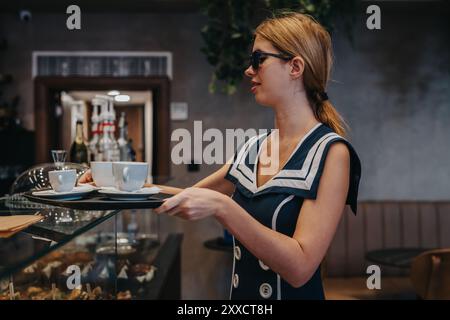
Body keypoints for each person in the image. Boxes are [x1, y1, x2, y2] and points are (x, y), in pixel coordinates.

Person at [80, 12, 361, 300]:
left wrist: (224, 208)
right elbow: (187, 196)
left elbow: (301, 268)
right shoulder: (253, 147)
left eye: (258, 60)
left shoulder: (332, 153)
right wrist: (108, 184)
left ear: (295, 67)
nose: (248, 71)